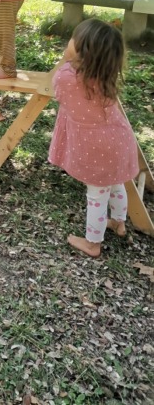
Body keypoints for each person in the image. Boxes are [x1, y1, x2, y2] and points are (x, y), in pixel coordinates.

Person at [48, 19, 139, 258]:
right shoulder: (105, 74)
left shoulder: (67, 77)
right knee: (116, 182)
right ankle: (118, 222)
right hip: (119, 137)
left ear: (82, 51)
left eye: (73, 40)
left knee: (97, 194)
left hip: (97, 145)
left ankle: (92, 243)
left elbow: (57, 91)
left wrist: (68, 62)